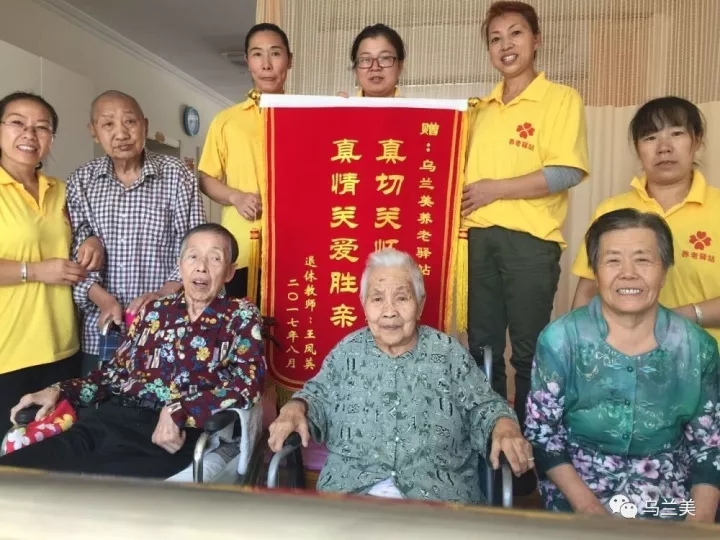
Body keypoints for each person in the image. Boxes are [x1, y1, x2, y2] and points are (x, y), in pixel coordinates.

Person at [268, 249, 533, 504]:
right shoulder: (346, 353)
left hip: (437, 502)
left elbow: (485, 406)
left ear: (420, 304)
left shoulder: (448, 353)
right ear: (363, 304)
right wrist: (294, 407)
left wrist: (504, 427)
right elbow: (315, 397)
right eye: (377, 298)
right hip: (350, 499)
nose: (389, 311)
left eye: (402, 298)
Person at [0, 224, 265, 478]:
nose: (201, 267)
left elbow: (249, 383)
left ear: (229, 272)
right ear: (180, 264)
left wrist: (181, 409)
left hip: (168, 436)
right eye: (193, 256)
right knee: (15, 472)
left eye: (215, 258)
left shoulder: (240, 315)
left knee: (84, 490)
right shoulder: (154, 311)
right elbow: (112, 375)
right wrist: (59, 390)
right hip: (112, 417)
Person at [461, 0, 589, 496]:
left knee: (531, 352)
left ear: (536, 40)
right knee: (482, 348)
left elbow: (565, 172)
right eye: (495, 38)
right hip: (477, 240)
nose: (506, 45)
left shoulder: (559, 99)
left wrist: (494, 189)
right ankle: (492, 448)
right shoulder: (479, 110)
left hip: (532, 242)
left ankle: (532, 458)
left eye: (516, 33)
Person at [525, 209, 720, 522]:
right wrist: (590, 510)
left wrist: (700, 522)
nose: (628, 273)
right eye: (613, 260)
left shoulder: (697, 347)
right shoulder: (560, 339)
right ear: (596, 272)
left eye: (642, 260)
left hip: (667, 494)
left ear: (664, 270)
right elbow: (544, 436)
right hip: (579, 488)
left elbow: (709, 445)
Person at [67, 90, 206, 375]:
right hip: (101, 332)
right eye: (108, 124)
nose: (121, 133)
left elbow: (196, 246)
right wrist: (102, 298)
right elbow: (73, 256)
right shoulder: (80, 181)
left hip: (165, 328)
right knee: (98, 401)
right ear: (94, 132)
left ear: (145, 125)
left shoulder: (178, 175)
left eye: (130, 122)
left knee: (163, 401)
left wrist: (162, 295)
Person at [571, 96, 720, 343]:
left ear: (697, 140)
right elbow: (587, 292)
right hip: (623, 357)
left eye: (676, 133)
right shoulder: (611, 209)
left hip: (706, 356)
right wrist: (576, 347)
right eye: (650, 137)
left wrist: (677, 318)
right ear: (638, 149)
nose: (664, 147)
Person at [0, 92, 103, 434]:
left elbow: (82, 233)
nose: (29, 134)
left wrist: (90, 240)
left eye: (41, 127)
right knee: (10, 452)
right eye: (17, 123)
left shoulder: (62, 190)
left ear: (51, 139)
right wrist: (36, 271)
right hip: (8, 354)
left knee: (56, 448)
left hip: (62, 346)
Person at [199, 23, 293, 300]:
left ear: (289, 60)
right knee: (245, 322)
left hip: (296, 247)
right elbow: (206, 179)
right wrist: (235, 196)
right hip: (244, 249)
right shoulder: (227, 121)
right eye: (257, 54)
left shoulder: (308, 117)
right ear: (247, 61)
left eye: (275, 53)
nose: (266, 64)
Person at [338, 24, 405, 98]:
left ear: (400, 66)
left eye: (385, 58)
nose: (375, 67)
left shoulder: (413, 105)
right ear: (355, 69)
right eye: (366, 59)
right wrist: (335, 104)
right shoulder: (341, 104)